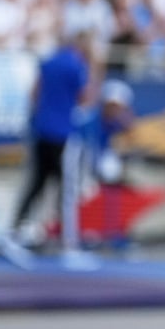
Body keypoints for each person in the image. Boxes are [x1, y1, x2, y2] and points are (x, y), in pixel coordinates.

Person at [2, 30, 93, 269]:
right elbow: (85, 98)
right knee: (67, 191)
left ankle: (14, 235)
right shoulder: (77, 66)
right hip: (63, 134)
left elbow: (34, 94)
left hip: (42, 131)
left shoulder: (48, 62)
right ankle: (68, 245)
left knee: (36, 184)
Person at [58, 78, 136, 264]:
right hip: (78, 162)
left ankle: (109, 233)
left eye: (119, 106)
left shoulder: (112, 121)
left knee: (117, 184)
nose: (115, 109)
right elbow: (85, 151)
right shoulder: (90, 120)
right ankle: (75, 239)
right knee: (76, 195)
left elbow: (130, 131)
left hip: (91, 164)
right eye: (112, 105)